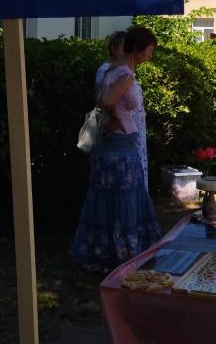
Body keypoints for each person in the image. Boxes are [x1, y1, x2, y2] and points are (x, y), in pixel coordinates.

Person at [70, 26, 160, 269]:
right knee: (122, 198)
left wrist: (115, 118)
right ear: (138, 49)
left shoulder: (115, 69)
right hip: (118, 147)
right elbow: (106, 100)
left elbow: (105, 100)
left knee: (114, 197)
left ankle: (107, 249)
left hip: (120, 145)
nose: (150, 55)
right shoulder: (124, 74)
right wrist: (118, 120)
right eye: (149, 50)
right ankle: (121, 251)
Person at [95, 31, 148, 190]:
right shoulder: (108, 70)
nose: (127, 52)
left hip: (130, 131)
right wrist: (116, 119)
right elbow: (105, 99)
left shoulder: (123, 71)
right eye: (124, 47)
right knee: (123, 183)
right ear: (114, 48)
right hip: (120, 134)